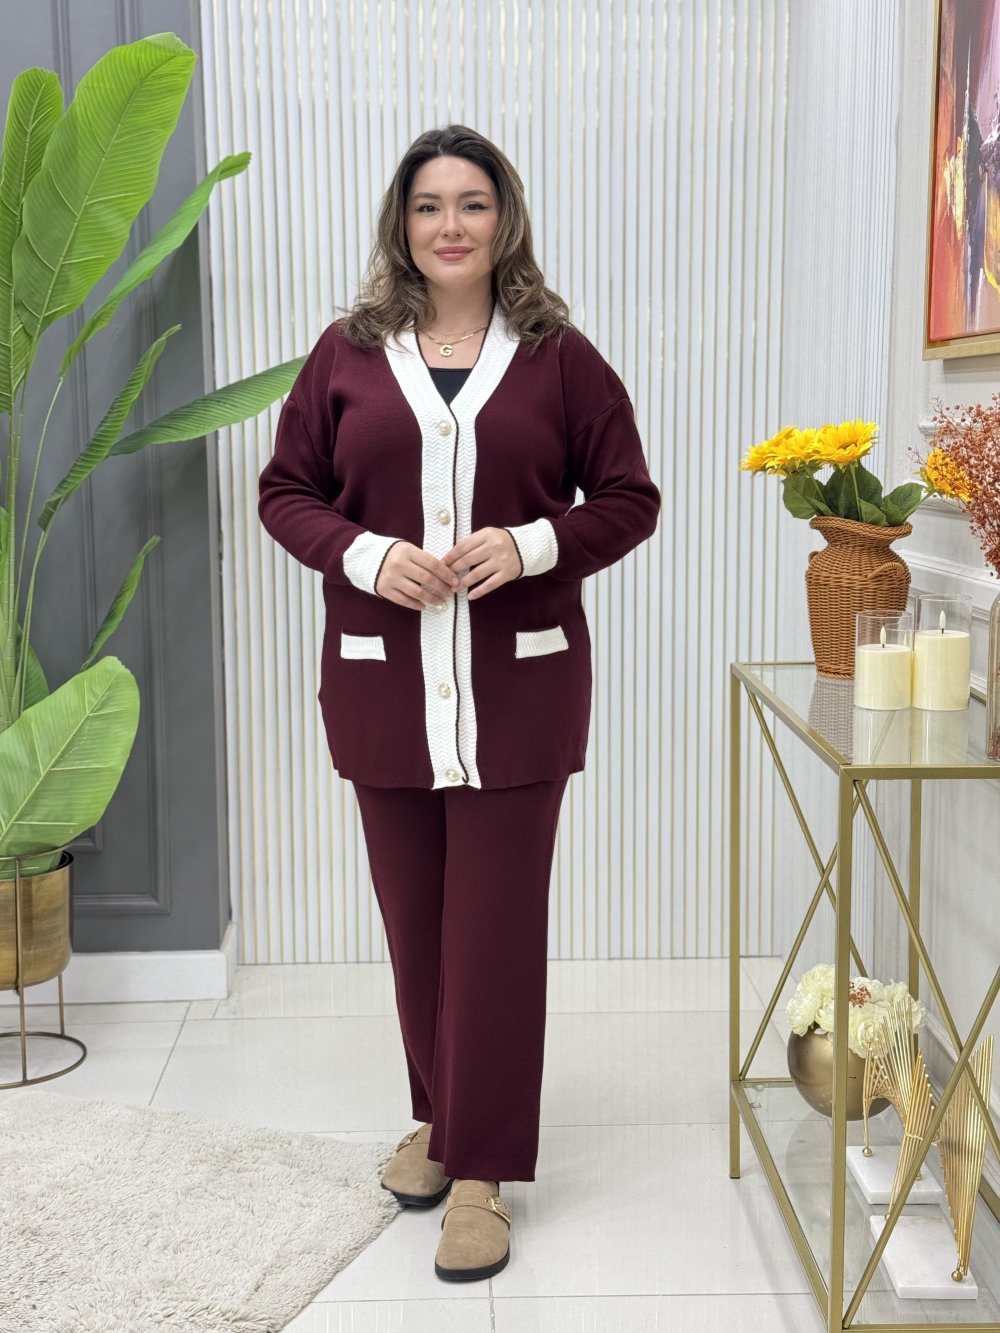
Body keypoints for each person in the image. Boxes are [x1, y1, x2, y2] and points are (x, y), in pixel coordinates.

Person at [257, 124, 660, 1283]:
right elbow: (286, 491)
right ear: (403, 223)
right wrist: (365, 555)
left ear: (503, 220)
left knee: (492, 932)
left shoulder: (558, 358)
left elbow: (628, 497)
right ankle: (440, 1120)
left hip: (519, 689)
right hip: (383, 688)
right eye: (429, 205)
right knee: (416, 925)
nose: (450, 225)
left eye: (472, 204)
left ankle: (479, 1173)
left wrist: (531, 544)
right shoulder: (344, 354)